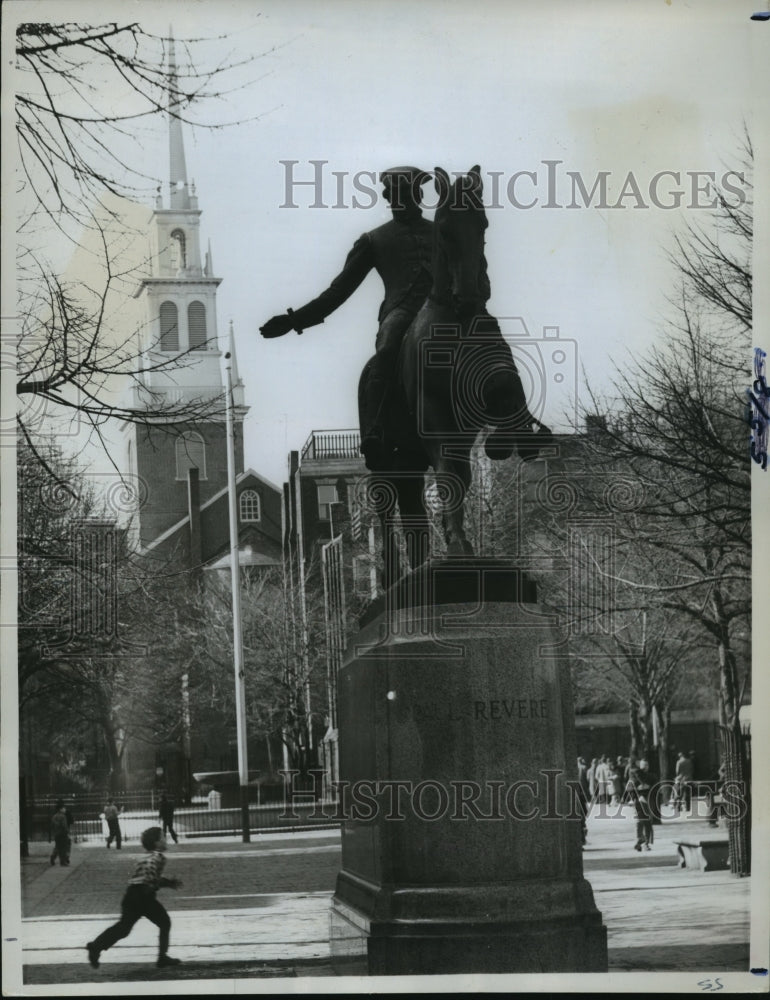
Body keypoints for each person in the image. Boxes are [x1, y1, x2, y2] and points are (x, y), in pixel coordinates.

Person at [260, 166, 547, 470]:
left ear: (419, 195)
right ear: (388, 198)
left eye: (408, 194)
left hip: (447, 307)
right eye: (395, 196)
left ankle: (519, 420)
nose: (402, 201)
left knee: (491, 333)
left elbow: (471, 262)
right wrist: (295, 321)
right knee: (386, 350)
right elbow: (338, 291)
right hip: (401, 312)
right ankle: (375, 430)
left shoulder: (444, 228)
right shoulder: (373, 240)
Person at [86, 826, 182, 970]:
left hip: (132, 895)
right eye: (163, 837)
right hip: (144, 896)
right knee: (164, 922)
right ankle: (162, 957)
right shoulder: (158, 857)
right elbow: (151, 874)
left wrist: (165, 883)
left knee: (123, 928)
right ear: (156, 843)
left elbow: (149, 875)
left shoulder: (145, 856)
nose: (166, 839)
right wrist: (163, 884)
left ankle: (96, 946)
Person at [632, 780, 654, 851]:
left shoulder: (637, 799)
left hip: (639, 817)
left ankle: (640, 842)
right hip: (643, 816)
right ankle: (644, 844)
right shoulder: (645, 799)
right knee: (646, 829)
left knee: (640, 829)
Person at [50, 800, 71, 867]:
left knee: (58, 847)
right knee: (64, 848)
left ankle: (53, 857)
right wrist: (67, 832)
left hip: (57, 834)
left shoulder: (54, 816)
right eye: (63, 808)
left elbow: (52, 825)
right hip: (63, 834)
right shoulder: (63, 816)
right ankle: (63, 861)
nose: (65, 809)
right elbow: (64, 825)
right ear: (60, 809)